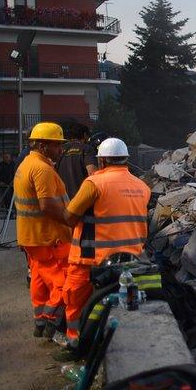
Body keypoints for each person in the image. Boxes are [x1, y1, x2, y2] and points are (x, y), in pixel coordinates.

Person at [57, 138, 150, 359]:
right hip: (130, 259)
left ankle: (75, 345)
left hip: (91, 257)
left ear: (101, 161)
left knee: (75, 301)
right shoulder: (142, 186)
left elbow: (70, 217)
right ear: (126, 160)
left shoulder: (94, 184)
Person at [12, 122, 71, 339]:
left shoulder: (26, 164)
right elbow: (46, 205)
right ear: (43, 145)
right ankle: (50, 323)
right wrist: (70, 220)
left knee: (39, 279)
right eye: (57, 145)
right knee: (63, 281)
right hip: (48, 237)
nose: (60, 150)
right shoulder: (42, 169)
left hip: (31, 237)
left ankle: (39, 321)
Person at [56, 123, 97, 198]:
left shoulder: (59, 149)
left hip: (64, 199)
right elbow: (92, 174)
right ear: (84, 135)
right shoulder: (87, 149)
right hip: (83, 200)